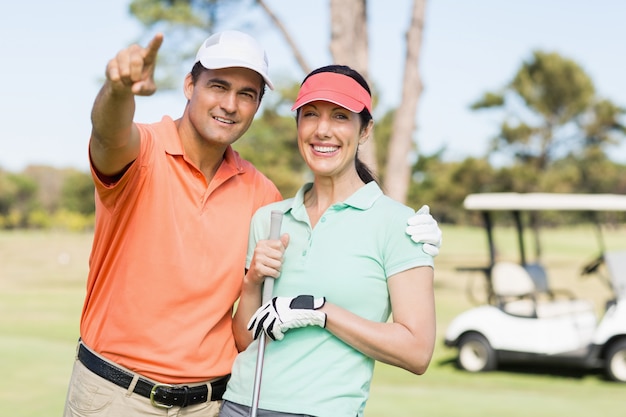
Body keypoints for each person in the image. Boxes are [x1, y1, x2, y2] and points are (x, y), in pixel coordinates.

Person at [63, 29, 441, 417]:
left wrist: (405, 229)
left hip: (211, 405)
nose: (230, 104)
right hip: (117, 397)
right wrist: (119, 90)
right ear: (189, 84)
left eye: (247, 94)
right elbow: (108, 136)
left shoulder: (263, 196)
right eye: (218, 86)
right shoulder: (141, 153)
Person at [219, 65, 436, 417]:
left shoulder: (400, 225)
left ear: (365, 130)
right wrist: (252, 282)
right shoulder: (269, 220)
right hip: (241, 405)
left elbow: (417, 351)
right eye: (310, 115)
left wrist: (319, 311)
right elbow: (246, 340)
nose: (323, 130)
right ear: (298, 127)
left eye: (340, 116)